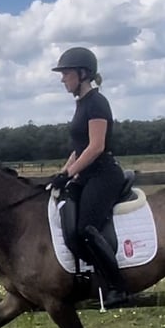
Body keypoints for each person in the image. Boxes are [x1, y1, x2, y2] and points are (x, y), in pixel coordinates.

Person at [49, 47, 130, 307]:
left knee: (86, 228)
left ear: (83, 74)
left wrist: (70, 173)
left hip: (104, 174)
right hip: (86, 175)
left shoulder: (96, 102)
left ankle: (118, 287)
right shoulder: (81, 104)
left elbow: (95, 147)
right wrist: (62, 174)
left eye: (66, 73)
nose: (62, 79)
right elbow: (79, 149)